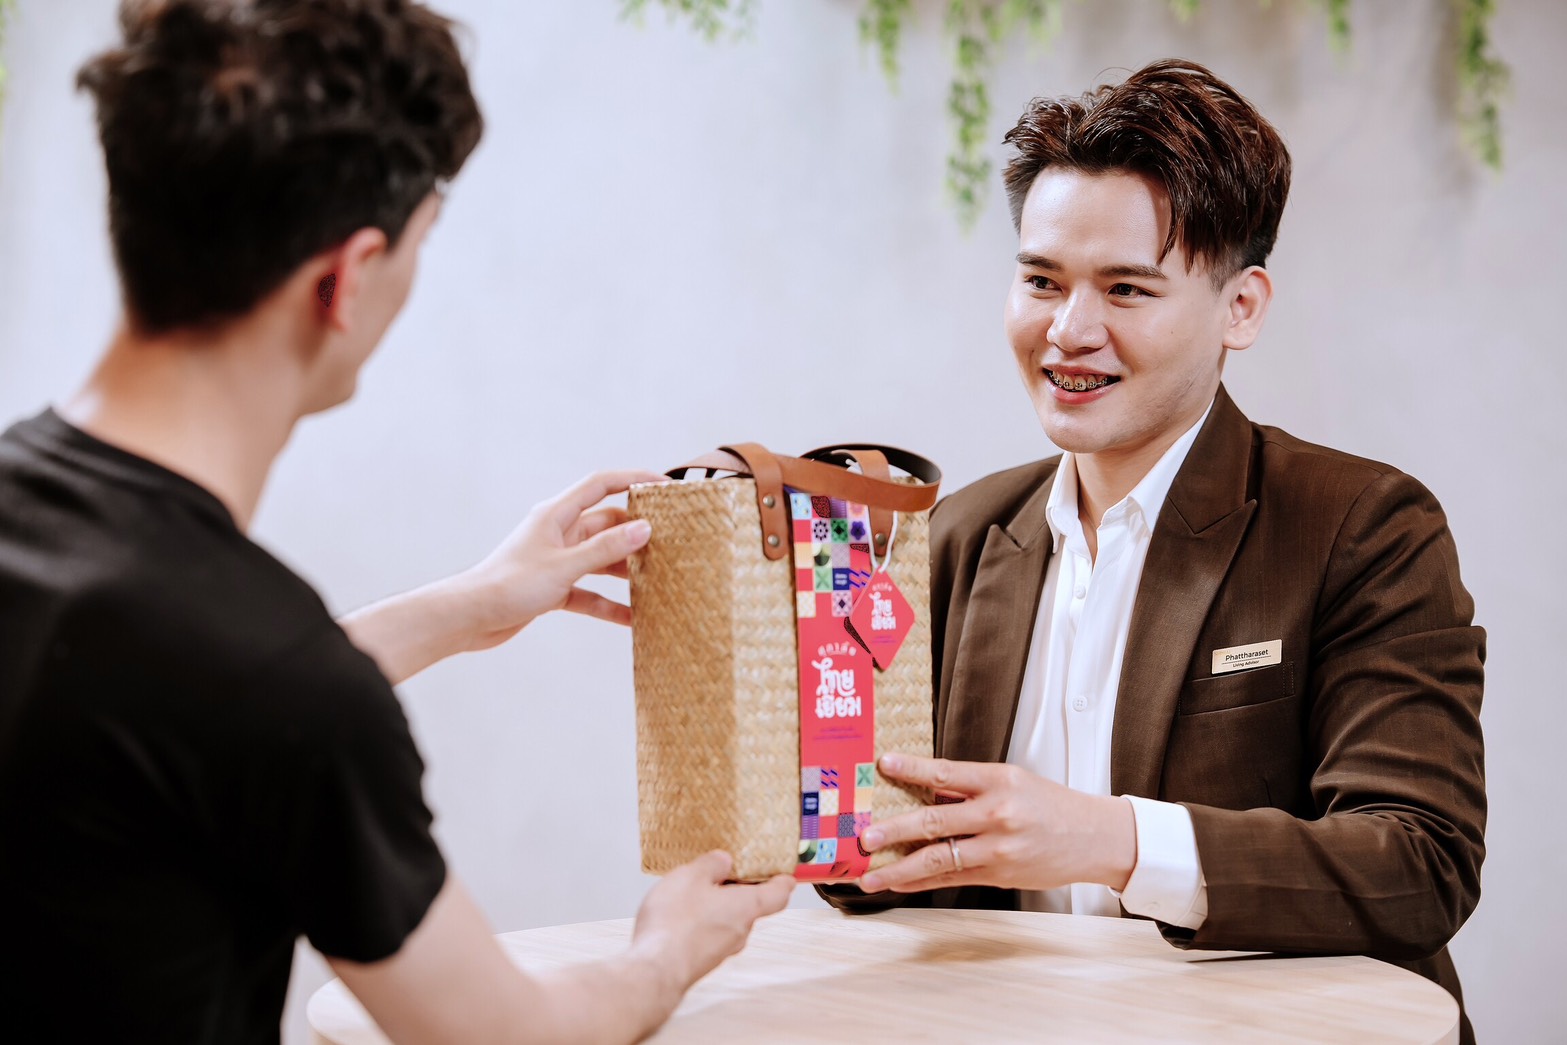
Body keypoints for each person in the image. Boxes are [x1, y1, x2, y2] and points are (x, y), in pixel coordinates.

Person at [0, 1, 791, 1042]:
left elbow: (162, 704)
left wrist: (469, 606)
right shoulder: (276, 684)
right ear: (347, 278)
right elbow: (507, 1035)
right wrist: (668, 948)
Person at [821, 59, 1486, 1042]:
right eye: (1040, 280)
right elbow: (869, 870)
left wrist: (1108, 838)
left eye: (1126, 288)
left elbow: (1420, 865)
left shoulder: (1362, 526)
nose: (1068, 331)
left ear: (1240, 308)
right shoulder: (955, 534)